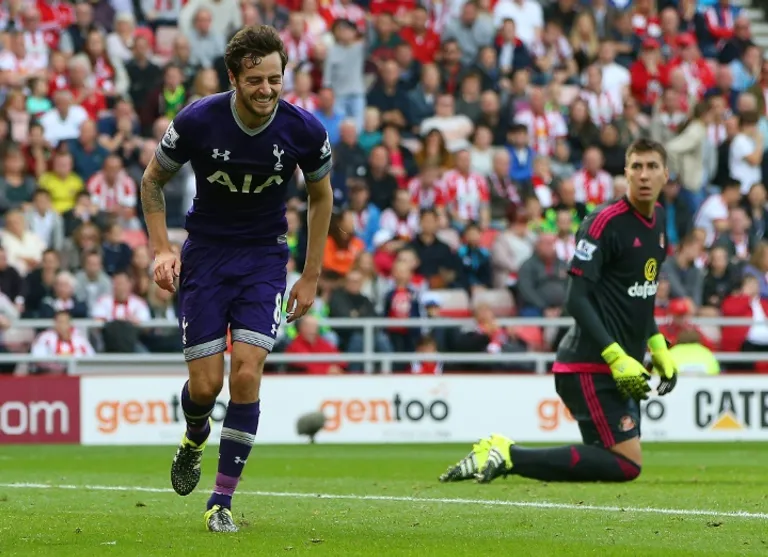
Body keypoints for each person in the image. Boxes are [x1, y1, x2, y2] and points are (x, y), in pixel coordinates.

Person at [139, 26, 334, 533]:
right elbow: (152, 181)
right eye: (255, 80)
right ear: (233, 77)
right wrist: (162, 249)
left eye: (275, 79)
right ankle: (193, 435)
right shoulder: (198, 119)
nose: (266, 89)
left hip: (264, 260)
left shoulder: (304, 130)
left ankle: (221, 500)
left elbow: (321, 196)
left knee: (246, 375)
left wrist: (310, 275)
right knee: (206, 387)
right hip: (205, 257)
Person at [439, 138, 678, 484]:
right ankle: (507, 454)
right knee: (626, 463)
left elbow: (641, 296)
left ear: (666, 175)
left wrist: (657, 346)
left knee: (612, 459)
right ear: (625, 173)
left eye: (652, 167)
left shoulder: (659, 223)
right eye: (636, 167)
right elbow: (576, 299)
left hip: (625, 367)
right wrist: (615, 356)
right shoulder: (603, 222)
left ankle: (499, 454)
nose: (644, 175)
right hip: (589, 363)